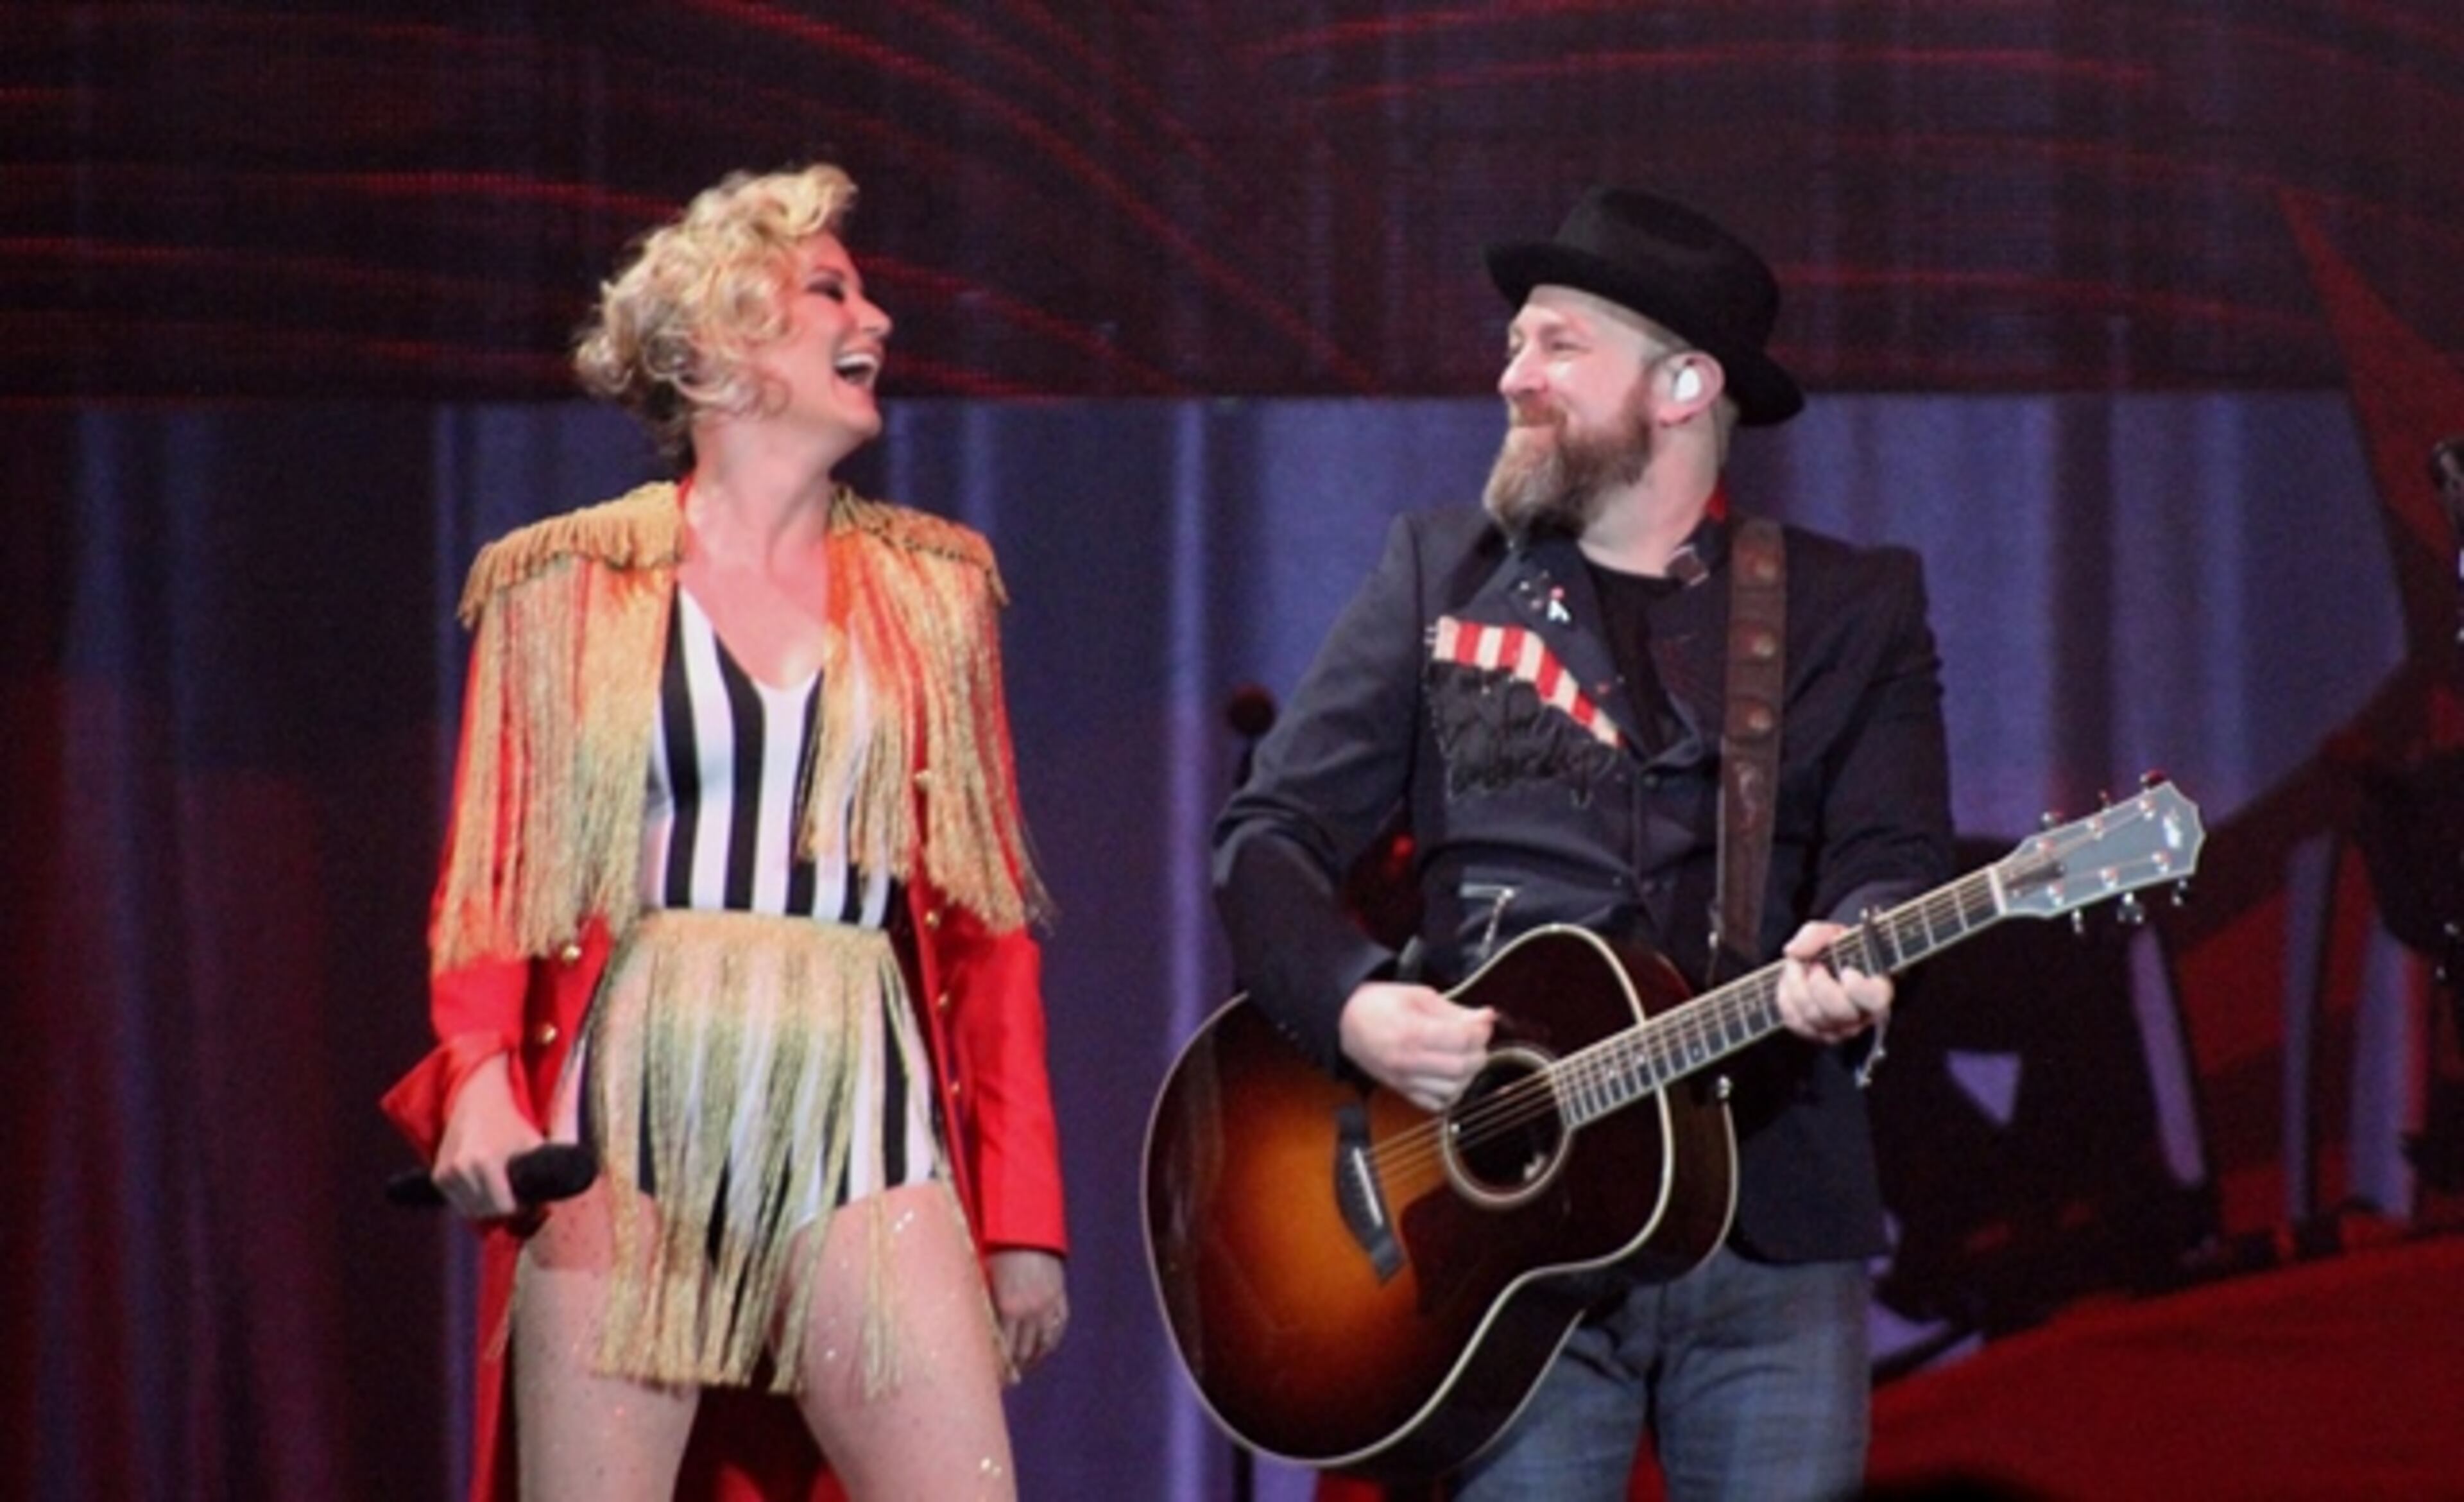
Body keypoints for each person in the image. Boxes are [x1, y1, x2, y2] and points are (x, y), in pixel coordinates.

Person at [1213, 187, 1953, 1501]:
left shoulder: (1851, 605)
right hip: (1494, 1240)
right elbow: (1268, 836)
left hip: (1763, 1228)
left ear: (1682, 385)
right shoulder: (1439, 573)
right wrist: (1354, 1010)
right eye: (1515, 343)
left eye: (1556, 343)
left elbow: (1894, 851)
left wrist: (1859, 939)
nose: (1514, 376)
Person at [381, 163, 1068, 1501]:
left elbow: (989, 930)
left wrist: (1025, 1215)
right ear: (711, 354)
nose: (869, 314)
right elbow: (493, 885)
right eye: (828, 290)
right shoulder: (563, 586)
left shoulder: (934, 595)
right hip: (634, 1114)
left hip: (861, 1108)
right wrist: (472, 1073)